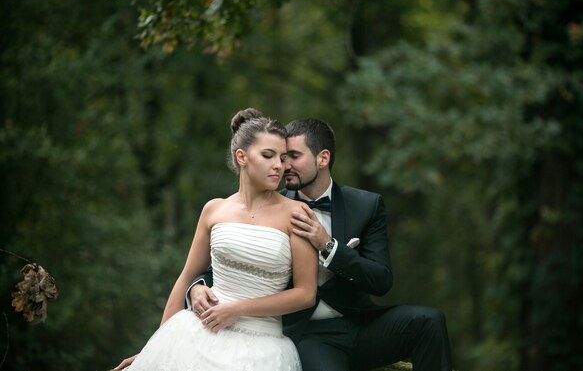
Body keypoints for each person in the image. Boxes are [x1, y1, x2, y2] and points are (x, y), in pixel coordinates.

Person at [189, 118, 453, 371]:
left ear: (322, 158)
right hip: (311, 335)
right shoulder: (272, 208)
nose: (284, 166)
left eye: (293, 156)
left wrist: (329, 246)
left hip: (362, 323)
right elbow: (234, 262)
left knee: (429, 322)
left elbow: (381, 281)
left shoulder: (366, 206)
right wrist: (196, 286)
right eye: (281, 157)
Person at [114, 109, 318, 371]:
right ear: (241, 157)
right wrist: (152, 350)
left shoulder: (297, 214)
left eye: (282, 157)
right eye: (268, 156)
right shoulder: (214, 209)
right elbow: (187, 276)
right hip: (198, 335)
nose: (279, 165)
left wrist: (237, 309)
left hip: (262, 346)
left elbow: (305, 294)